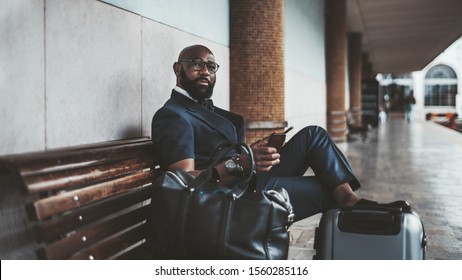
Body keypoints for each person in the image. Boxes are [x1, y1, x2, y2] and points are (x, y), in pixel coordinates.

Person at [151, 44, 373, 222]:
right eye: (197, 64)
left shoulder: (204, 110)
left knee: (313, 135)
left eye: (211, 66)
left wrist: (251, 153)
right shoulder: (173, 115)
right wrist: (240, 163)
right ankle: (345, 211)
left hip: (244, 180)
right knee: (327, 189)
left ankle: (348, 198)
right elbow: (181, 181)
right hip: (224, 197)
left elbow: (226, 154)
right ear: (178, 69)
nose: (205, 72)